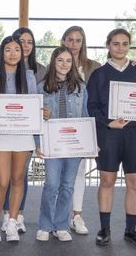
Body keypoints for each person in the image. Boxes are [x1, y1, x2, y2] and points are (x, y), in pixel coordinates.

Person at [87, 28, 136, 247]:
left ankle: (131, 230)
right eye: (116, 44)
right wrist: (108, 122)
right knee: (107, 181)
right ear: (108, 46)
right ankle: (104, 229)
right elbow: (91, 106)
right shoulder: (98, 74)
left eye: (125, 44)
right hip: (109, 134)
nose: (120, 48)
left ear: (129, 46)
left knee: (135, 183)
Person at [0, 35, 37, 242]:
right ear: (2, 53)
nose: (13, 54)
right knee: (2, 182)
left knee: (18, 179)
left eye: (17, 50)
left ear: (22, 54)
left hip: (23, 135)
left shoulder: (29, 77)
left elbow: (34, 107)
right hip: (1, 135)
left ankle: (12, 222)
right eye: (8, 50)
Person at [35, 46, 88, 242]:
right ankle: (45, 225)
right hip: (52, 145)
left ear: (72, 63)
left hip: (74, 145)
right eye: (60, 60)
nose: (64, 64)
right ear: (53, 62)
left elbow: (85, 116)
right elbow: (34, 117)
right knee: (51, 184)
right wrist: (37, 142)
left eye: (68, 61)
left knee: (67, 186)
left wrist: (89, 142)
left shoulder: (81, 87)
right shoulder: (42, 87)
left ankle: (61, 225)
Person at [0, 27, 47, 234]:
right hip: (5, 131)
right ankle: (5, 213)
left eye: (29, 41)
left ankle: (18, 214)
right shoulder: (0, 71)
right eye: (21, 41)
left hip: (28, 131)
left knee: (21, 175)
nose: (25, 45)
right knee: (6, 176)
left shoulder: (43, 71)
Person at [60, 25, 101, 235]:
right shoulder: (56, 64)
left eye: (77, 40)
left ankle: (76, 215)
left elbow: (108, 88)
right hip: (58, 129)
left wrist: (133, 64)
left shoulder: (94, 67)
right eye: (69, 39)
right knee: (58, 176)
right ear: (63, 41)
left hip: (83, 127)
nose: (73, 44)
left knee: (78, 173)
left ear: (82, 43)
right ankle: (60, 219)